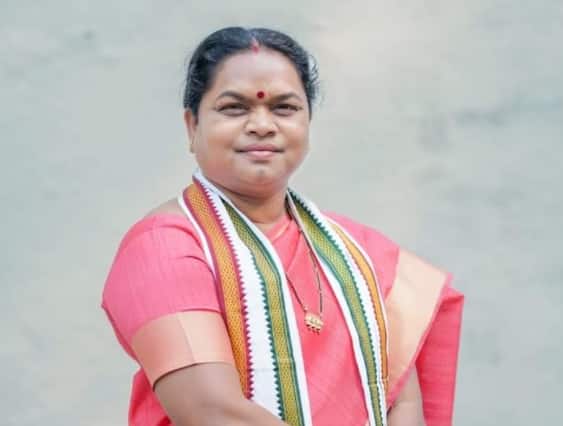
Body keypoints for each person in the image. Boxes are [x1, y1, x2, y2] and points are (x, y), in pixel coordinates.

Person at [102, 27, 464, 426]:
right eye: (234, 108)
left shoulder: (360, 255)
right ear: (192, 126)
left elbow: (400, 400)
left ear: (308, 123)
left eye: (284, 108)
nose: (262, 124)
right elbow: (210, 410)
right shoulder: (163, 248)